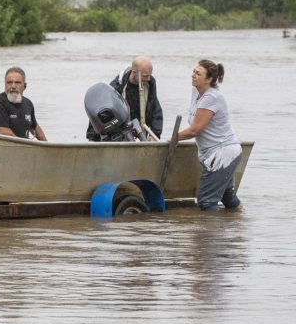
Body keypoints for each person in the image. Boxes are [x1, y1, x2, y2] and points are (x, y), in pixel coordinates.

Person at [177, 59, 242, 211]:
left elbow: (195, 130)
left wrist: (174, 137)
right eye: (193, 71)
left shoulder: (212, 97)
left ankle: (209, 227)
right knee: (227, 196)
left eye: (198, 74)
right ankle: (239, 221)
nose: (193, 75)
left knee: (206, 201)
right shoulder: (196, 92)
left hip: (223, 154)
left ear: (209, 79)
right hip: (218, 152)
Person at [86, 56, 163, 141]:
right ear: (134, 73)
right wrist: (92, 137)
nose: (148, 79)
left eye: (149, 75)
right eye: (145, 76)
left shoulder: (149, 83)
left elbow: (155, 109)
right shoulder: (117, 86)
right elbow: (99, 108)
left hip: (141, 129)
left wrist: (155, 134)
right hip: (121, 130)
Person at [0, 66, 47, 141]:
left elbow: (35, 128)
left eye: (17, 83)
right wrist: (25, 146)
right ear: (5, 85)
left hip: (23, 145)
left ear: (24, 86)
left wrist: (47, 145)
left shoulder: (28, 104)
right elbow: (3, 133)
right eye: (9, 82)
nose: (13, 86)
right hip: (2, 145)